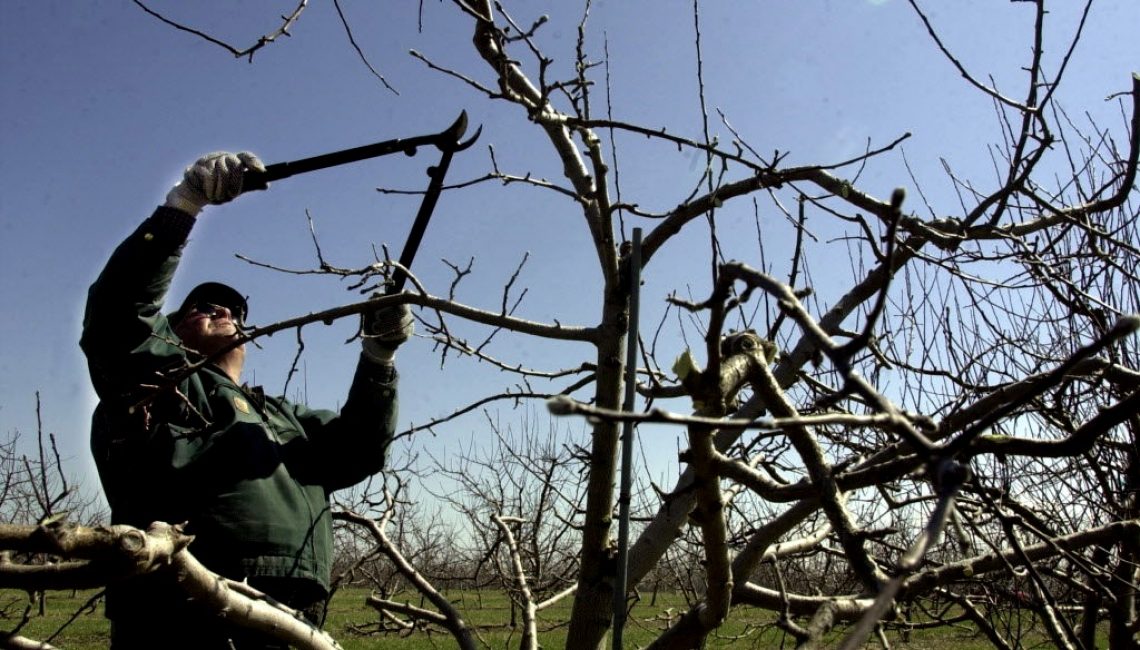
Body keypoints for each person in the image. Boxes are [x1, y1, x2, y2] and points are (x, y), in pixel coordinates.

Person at [80, 152, 412, 649]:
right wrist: (183, 206)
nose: (222, 311)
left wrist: (378, 357)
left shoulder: (283, 416)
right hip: (179, 604)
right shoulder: (159, 382)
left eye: (234, 311)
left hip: (292, 611)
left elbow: (360, 447)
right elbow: (118, 316)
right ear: (167, 332)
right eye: (201, 307)